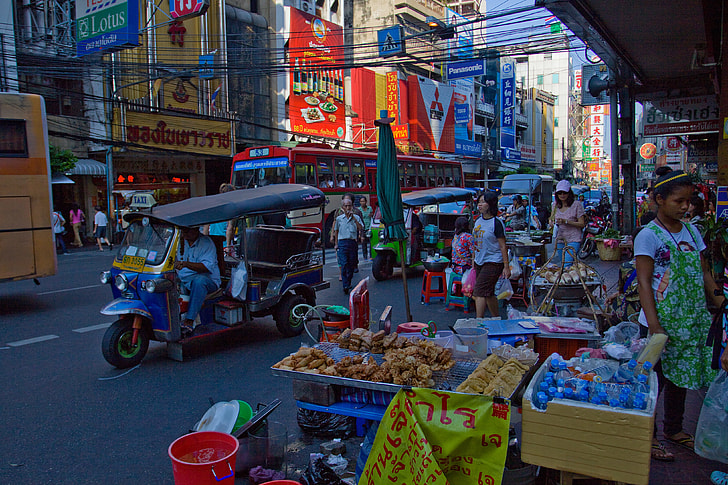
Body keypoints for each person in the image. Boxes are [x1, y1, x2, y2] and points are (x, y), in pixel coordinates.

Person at [634, 170, 725, 462]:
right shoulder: (648, 235)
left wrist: (721, 302)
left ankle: (673, 429)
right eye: (679, 201)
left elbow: (704, 272)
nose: (686, 207)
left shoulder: (691, 231)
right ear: (660, 200)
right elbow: (644, 282)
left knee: (679, 380)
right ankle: (647, 437)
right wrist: (655, 327)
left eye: (689, 201)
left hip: (688, 319)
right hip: (658, 321)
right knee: (652, 384)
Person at [175, 226, 221, 332]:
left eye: (187, 230)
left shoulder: (206, 243)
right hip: (184, 278)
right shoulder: (180, 242)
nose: (185, 233)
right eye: (183, 231)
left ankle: (190, 320)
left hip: (208, 280)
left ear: (195, 230)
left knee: (199, 281)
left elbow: (206, 267)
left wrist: (186, 264)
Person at [472, 192, 510, 318]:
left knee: (479, 292)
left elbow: (503, 246)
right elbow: (476, 242)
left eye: (483, 202)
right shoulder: (478, 221)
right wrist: (474, 260)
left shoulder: (496, 223)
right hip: (479, 261)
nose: (480, 205)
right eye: (479, 202)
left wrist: (506, 266)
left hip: (493, 261)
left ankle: (479, 322)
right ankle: (496, 318)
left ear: (491, 204)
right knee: (488, 293)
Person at [331, 198, 363, 294]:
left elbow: (360, 228)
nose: (348, 208)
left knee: (352, 263)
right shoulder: (339, 219)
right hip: (342, 243)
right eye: (346, 206)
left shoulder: (356, 217)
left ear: (352, 206)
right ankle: (345, 284)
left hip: (352, 242)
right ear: (343, 207)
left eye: (349, 205)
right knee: (344, 263)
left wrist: (353, 218)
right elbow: (336, 231)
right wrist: (336, 243)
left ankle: (348, 281)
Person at [549, 180, 585, 265]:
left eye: (564, 193)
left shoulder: (576, 204)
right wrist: (551, 222)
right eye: (560, 193)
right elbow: (551, 218)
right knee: (563, 264)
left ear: (569, 193)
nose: (562, 195)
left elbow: (581, 224)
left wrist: (566, 222)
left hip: (573, 238)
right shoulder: (555, 205)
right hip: (560, 238)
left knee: (567, 264)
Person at [203, 183, 236, 254]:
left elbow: (206, 227)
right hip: (224, 244)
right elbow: (229, 228)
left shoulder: (212, 207)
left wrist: (205, 244)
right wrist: (228, 246)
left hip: (212, 244)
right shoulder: (230, 209)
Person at [359, 196, 373, 261]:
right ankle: (365, 256)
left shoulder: (369, 208)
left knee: (371, 243)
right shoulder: (359, 210)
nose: (362, 203)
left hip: (369, 227)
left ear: (366, 202)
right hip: (362, 228)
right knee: (363, 243)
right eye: (361, 201)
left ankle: (371, 256)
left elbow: (372, 216)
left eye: (363, 201)